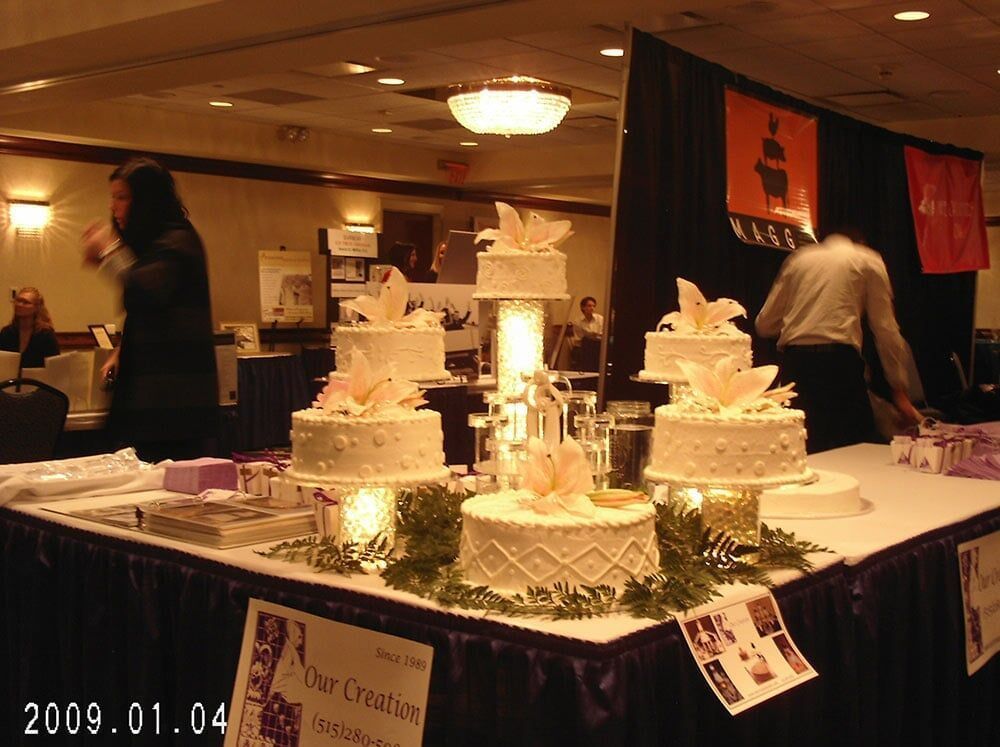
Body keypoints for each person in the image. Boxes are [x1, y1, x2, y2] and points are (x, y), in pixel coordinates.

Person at [82, 157, 218, 462]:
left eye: (122, 197)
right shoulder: (155, 242)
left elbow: (144, 290)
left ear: (147, 201)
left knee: (167, 489)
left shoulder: (178, 240)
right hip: (152, 395)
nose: (114, 207)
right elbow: (149, 312)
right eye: (113, 197)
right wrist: (121, 350)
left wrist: (108, 252)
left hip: (173, 403)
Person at [756, 230, 922, 453]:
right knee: (854, 451)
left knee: (799, 451)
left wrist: (801, 319)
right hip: (839, 364)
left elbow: (764, 325)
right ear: (861, 242)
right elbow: (885, 330)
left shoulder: (799, 259)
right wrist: (899, 392)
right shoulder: (867, 259)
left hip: (796, 366)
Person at [0, 287, 60, 369]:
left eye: (26, 302)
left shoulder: (45, 335)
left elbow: (54, 367)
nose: (19, 305)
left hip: (36, 380)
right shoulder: (7, 332)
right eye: (18, 301)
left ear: (36, 308)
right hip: (11, 380)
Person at [569, 296, 604, 370]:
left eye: (594, 306)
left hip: (598, 345)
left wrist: (593, 335)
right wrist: (593, 335)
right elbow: (580, 337)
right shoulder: (577, 321)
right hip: (583, 345)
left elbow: (602, 334)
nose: (592, 308)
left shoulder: (600, 319)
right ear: (583, 307)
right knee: (587, 342)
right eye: (589, 306)